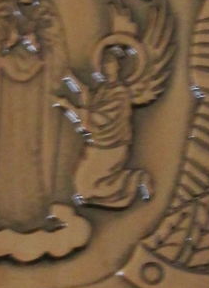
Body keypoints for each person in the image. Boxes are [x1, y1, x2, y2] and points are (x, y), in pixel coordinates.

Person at [0, 0, 70, 232]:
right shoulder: (2, 10)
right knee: (6, 145)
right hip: (6, 89)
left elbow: (57, 51)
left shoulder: (46, 11)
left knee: (32, 145)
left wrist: (37, 46)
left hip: (36, 90)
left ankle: (34, 211)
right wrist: (7, 46)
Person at [57, 45, 153, 208]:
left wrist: (69, 106)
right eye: (105, 65)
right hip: (98, 143)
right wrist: (71, 77)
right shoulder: (104, 89)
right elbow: (88, 97)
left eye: (111, 65)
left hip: (112, 145)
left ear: (117, 68)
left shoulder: (121, 93)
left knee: (85, 189)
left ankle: (134, 179)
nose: (107, 69)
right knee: (82, 186)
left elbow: (101, 118)